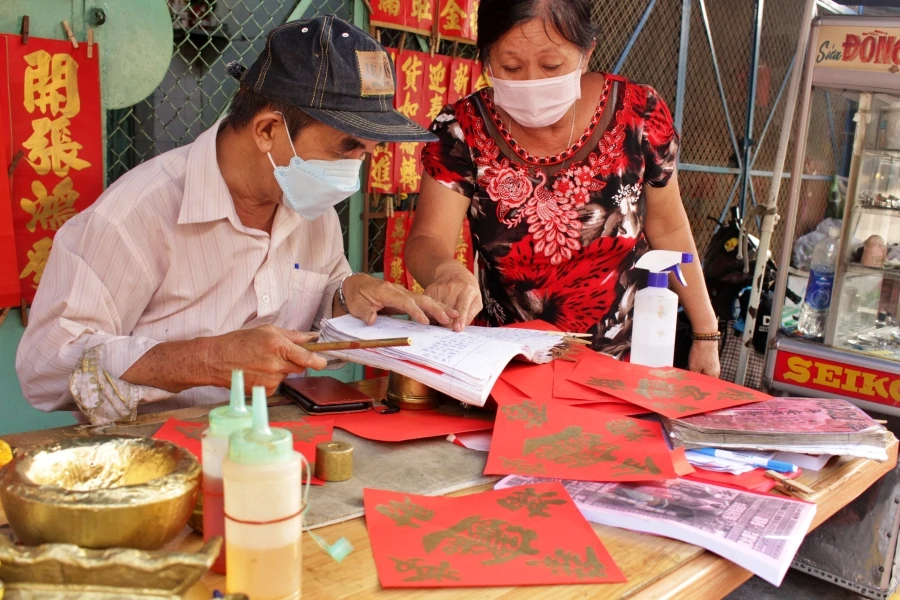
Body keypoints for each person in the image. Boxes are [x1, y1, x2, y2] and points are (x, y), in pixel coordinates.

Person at [16, 16, 452, 425]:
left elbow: (319, 311)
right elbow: (45, 367)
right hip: (154, 459)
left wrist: (347, 294)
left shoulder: (308, 204)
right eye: (346, 148)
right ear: (266, 131)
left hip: (275, 441)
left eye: (366, 153)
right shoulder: (134, 216)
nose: (355, 169)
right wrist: (204, 360)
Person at [406, 0, 721, 376]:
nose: (531, 82)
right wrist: (444, 271)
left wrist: (706, 333)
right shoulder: (462, 129)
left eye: (551, 66)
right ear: (486, 61)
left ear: (586, 53)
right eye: (510, 67)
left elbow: (668, 227)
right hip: (506, 365)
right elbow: (427, 238)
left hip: (625, 363)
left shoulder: (639, 113)